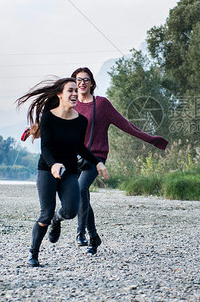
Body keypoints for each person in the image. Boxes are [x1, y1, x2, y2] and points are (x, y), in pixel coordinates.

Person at [71, 67, 169, 254]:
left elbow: (126, 125)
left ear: (92, 82)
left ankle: (80, 232)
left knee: (81, 189)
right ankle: (94, 237)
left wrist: (152, 139)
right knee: (81, 196)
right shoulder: (71, 104)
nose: (82, 83)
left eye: (85, 79)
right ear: (74, 83)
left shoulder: (101, 105)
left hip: (95, 157)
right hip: (73, 157)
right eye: (78, 80)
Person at [15, 77, 110, 267]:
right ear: (60, 95)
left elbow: (80, 148)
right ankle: (33, 254)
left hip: (70, 172)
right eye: (70, 90)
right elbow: (46, 148)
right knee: (45, 214)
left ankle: (57, 220)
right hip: (47, 170)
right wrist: (53, 165)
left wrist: (97, 162)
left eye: (76, 90)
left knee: (71, 210)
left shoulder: (81, 121)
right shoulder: (48, 116)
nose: (75, 94)